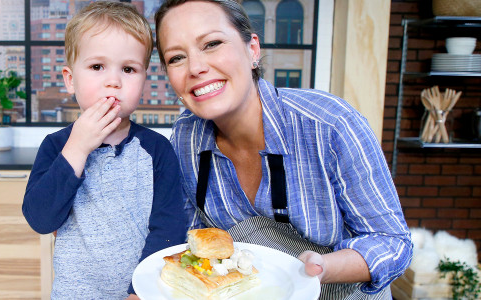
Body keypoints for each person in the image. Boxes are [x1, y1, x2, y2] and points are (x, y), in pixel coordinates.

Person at [154, 0, 413, 298]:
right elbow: (191, 232)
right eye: (176, 58)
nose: (196, 68)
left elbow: (392, 241)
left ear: (252, 49)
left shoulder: (330, 124)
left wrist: (323, 267)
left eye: (212, 43)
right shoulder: (186, 135)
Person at [22, 2, 186, 298]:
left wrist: (139, 289)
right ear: (70, 80)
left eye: (128, 69)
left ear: (144, 82)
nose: (114, 80)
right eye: (97, 67)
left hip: (142, 292)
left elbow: (169, 226)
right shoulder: (57, 146)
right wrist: (77, 147)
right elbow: (40, 220)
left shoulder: (157, 150)